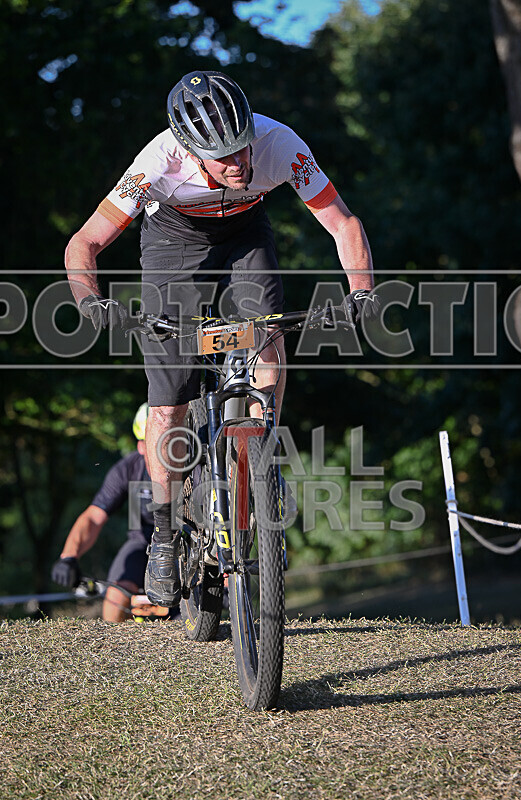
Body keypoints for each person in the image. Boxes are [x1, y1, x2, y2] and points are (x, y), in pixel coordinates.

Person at [64, 69, 378, 609]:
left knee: (268, 339)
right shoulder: (156, 161)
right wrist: (91, 302)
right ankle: (164, 537)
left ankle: (260, 449)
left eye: (242, 148)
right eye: (223, 156)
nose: (239, 162)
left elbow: (343, 224)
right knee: (169, 403)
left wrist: (362, 292)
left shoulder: (279, 144)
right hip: (173, 241)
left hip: (244, 235)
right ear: (189, 151)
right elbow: (85, 242)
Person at [51, 403, 163, 622]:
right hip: (142, 540)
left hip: (187, 544)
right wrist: (69, 556)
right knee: (116, 594)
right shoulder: (129, 469)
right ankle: (113, 646)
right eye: (150, 443)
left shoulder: (192, 465)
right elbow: (94, 517)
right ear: (140, 446)